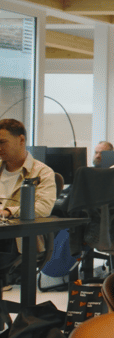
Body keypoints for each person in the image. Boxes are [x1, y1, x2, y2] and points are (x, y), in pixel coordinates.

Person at [0, 119, 57, 282]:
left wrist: (8, 211)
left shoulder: (42, 173)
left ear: (21, 140)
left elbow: (43, 208)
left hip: (17, 240)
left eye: (2, 142)